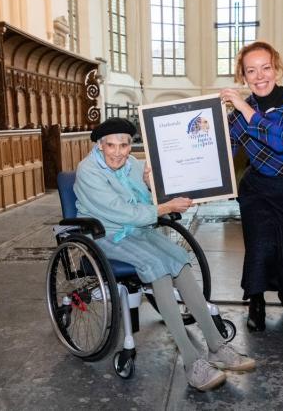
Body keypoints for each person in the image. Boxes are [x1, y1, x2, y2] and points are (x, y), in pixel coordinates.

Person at [73, 117, 255, 391]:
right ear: (100, 146)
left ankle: (216, 346)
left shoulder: (133, 165)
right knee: (156, 265)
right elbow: (119, 212)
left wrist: (150, 186)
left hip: (136, 229)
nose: (118, 152)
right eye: (111, 145)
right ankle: (192, 361)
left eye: (124, 145)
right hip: (103, 233)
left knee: (179, 260)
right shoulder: (88, 171)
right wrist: (161, 207)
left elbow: (146, 202)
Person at [220, 41, 283, 331]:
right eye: (251, 71)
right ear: (243, 76)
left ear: (276, 69)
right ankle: (256, 300)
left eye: (265, 67)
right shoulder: (238, 116)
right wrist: (166, 169)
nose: (259, 76)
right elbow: (216, 154)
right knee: (260, 248)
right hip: (259, 192)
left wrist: (240, 105)